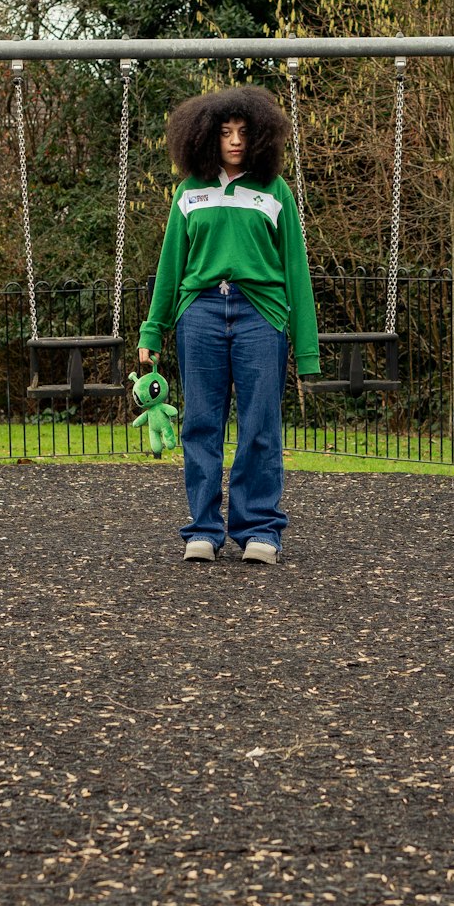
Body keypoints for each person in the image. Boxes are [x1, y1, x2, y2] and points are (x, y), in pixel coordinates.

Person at [138, 85, 320, 565]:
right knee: (200, 423)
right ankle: (203, 528)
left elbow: (296, 271)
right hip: (199, 313)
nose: (235, 141)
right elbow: (170, 267)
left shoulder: (275, 191)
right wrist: (151, 333)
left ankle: (259, 529)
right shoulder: (188, 194)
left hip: (261, 313)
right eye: (225, 132)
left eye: (243, 132)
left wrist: (307, 350)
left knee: (260, 424)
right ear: (206, 137)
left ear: (260, 136)